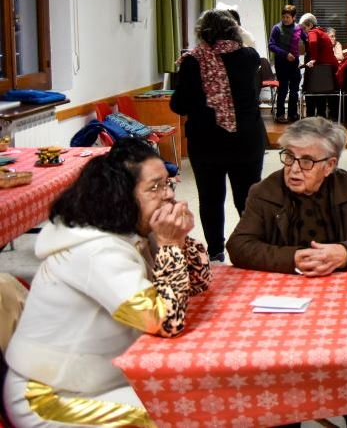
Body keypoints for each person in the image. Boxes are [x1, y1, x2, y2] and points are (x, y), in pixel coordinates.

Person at [4, 138, 211, 428]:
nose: (168, 196)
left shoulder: (134, 228)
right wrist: (170, 243)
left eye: (168, 184)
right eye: (155, 187)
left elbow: (199, 283)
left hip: (100, 379)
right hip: (51, 395)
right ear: (121, 195)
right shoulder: (95, 250)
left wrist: (181, 237)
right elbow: (167, 322)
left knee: (195, 398)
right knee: (175, 413)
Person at [227, 117, 347, 276]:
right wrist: (292, 258)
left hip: (338, 282)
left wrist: (344, 253)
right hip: (283, 287)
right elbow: (238, 246)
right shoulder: (264, 192)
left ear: (329, 166)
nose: (294, 169)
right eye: (289, 157)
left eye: (306, 161)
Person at [171, 9, 266, 263]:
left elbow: (178, 106)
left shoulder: (192, 61)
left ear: (202, 33)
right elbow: (250, 47)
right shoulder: (248, 57)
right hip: (246, 141)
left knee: (210, 199)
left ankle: (215, 253)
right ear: (234, 31)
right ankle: (252, 248)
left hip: (207, 144)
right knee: (247, 198)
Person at [268, 4, 307, 123]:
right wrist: (285, 54)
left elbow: (307, 40)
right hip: (281, 62)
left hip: (294, 63)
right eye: (283, 17)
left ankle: (293, 114)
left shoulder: (298, 28)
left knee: (294, 90)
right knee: (283, 89)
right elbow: (271, 45)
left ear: (294, 17)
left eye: (287, 17)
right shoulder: (276, 28)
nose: (285, 19)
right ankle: (280, 115)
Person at [299, 13, 340, 120]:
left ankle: (311, 116)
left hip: (322, 69)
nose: (304, 31)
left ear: (310, 25)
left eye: (304, 28)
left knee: (312, 88)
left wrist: (313, 59)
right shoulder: (321, 32)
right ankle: (326, 115)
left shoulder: (313, 32)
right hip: (330, 69)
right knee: (324, 91)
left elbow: (313, 42)